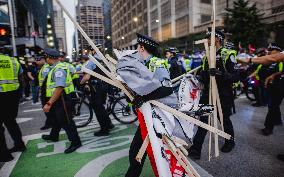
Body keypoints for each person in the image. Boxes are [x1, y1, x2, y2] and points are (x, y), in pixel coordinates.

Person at [117, 33, 177, 177]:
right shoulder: (140, 65)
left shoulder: (157, 63)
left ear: (142, 48)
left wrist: (144, 97)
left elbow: (167, 88)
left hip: (158, 116)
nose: (137, 50)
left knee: (150, 151)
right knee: (138, 151)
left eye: (138, 47)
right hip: (147, 116)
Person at [188, 28, 239, 159]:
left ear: (217, 39)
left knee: (224, 120)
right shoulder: (206, 56)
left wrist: (220, 74)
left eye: (209, 37)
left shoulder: (227, 54)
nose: (207, 40)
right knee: (203, 121)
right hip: (207, 93)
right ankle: (196, 149)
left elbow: (236, 76)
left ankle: (230, 141)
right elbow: (202, 74)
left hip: (223, 94)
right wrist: (202, 75)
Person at [41, 48, 81, 154]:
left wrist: (49, 103)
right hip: (57, 100)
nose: (45, 60)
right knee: (57, 120)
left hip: (61, 99)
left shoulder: (59, 69)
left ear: (49, 58)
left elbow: (59, 88)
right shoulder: (55, 67)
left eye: (46, 58)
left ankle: (76, 142)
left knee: (67, 122)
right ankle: (54, 135)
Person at [80, 50, 114, 136]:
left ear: (92, 51)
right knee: (101, 108)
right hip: (104, 85)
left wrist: (81, 82)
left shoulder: (91, 62)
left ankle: (104, 129)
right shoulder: (102, 60)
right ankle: (109, 124)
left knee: (98, 109)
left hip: (96, 88)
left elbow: (87, 77)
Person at [0, 50, 26, 162]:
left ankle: (4, 155)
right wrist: (21, 93)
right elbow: (21, 78)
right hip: (13, 95)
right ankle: (20, 144)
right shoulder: (13, 61)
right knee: (11, 121)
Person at [261, 43, 283, 135]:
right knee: (273, 106)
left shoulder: (280, 60)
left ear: (278, 51)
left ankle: (268, 128)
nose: (269, 52)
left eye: (271, 50)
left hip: (280, 86)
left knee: (272, 107)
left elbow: (280, 72)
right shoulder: (271, 61)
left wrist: (274, 75)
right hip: (273, 87)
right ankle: (277, 120)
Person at [37, 55, 52, 130]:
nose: (37, 62)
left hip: (46, 90)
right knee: (47, 108)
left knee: (46, 107)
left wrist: (42, 89)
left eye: (38, 60)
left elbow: (45, 80)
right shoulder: (43, 67)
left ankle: (50, 123)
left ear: (43, 60)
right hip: (44, 90)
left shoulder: (46, 68)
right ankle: (49, 123)